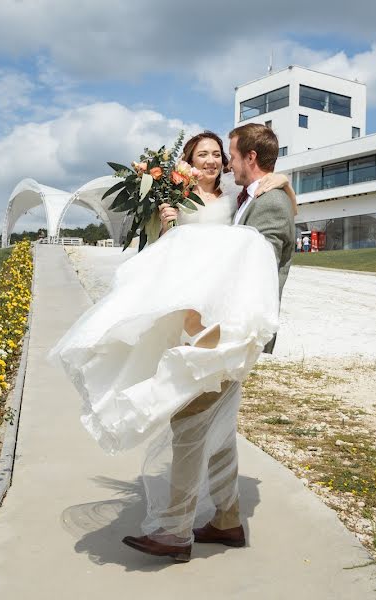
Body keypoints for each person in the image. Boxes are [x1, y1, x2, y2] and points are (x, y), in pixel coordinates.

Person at [50, 128, 295, 563]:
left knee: (188, 422)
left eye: (225, 154)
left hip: (226, 332)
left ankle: (175, 532)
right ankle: (227, 519)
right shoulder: (245, 199)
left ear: (245, 157)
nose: (220, 162)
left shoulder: (263, 199)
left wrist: (279, 183)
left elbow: (260, 257)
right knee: (218, 431)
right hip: (198, 325)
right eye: (207, 155)